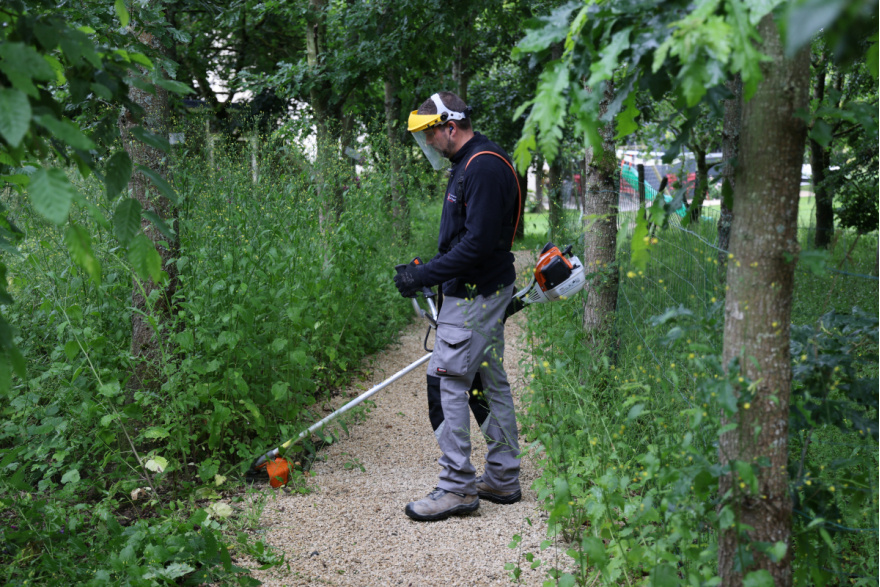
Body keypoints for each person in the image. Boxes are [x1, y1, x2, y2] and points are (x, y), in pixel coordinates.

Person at [394, 91, 522, 522]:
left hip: (474, 294)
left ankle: (456, 487)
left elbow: (479, 243)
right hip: (478, 291)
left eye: (430, 134)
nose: (428, 143)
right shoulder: (472, 162)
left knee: (446, 381)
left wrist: (423, 275)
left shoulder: (482, 166)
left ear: (451, 127)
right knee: (488, 382)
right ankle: (502, 477)